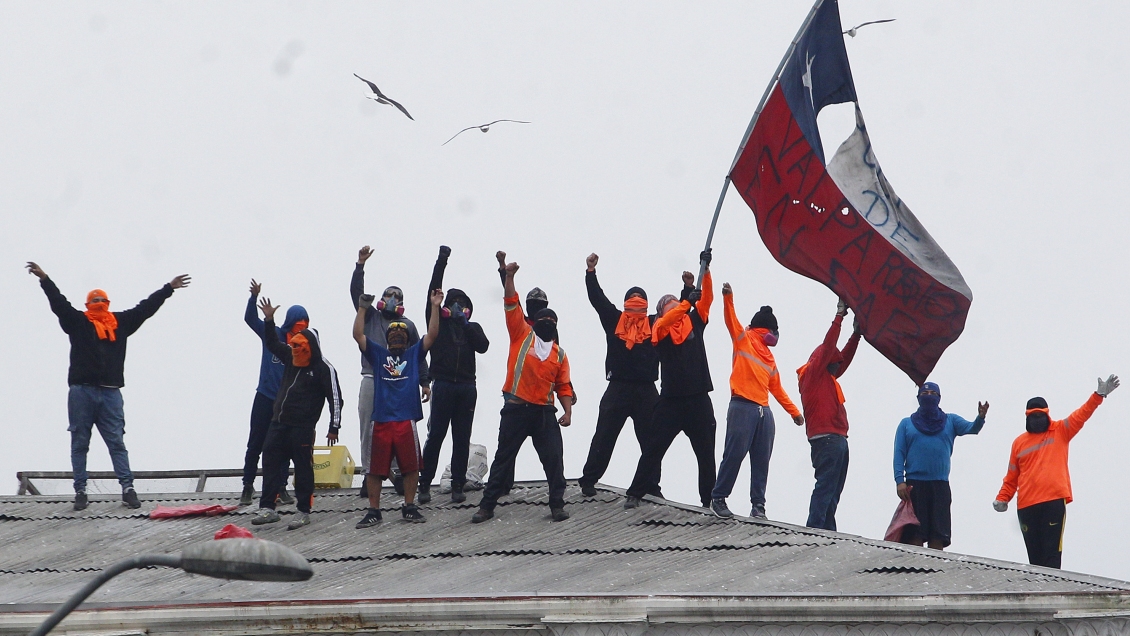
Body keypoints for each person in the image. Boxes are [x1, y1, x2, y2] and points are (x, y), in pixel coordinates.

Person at [26, 262, 190, 511]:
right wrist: (45, 280)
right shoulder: (79, 322)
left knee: (116, 442)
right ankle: (80, 491)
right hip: (82, 391)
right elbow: (59, 305)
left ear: (109, 302)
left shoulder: (120, 323)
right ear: (87, 305)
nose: (99, 303)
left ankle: (128, 489)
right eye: (95, 300)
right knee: (80, 442)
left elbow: (145, 308)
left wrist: (168, 288)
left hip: (111, 391)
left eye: (103, 299)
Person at [471, 260, 574, 524]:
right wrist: (508, 276)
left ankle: (557, 505)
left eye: (553, 321)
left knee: (554, 461)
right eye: (544, 319)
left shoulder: (559, 354)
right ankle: (487, 506)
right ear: (534, 321)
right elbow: (511, 302)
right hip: (516, 409)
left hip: (543, 412)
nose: (548, 323)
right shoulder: (521, 333)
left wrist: (568, 411)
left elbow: (563, 385)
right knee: (503, 460)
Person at [993, 375, 1120, 569]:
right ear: (1026, 417)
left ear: (1047, 414)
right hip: (1026, 505)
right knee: (1035, 559)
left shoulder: (1060, 431)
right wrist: (1003, 498)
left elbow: (1081, 414)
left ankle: (1051, 591)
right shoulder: (1019, 443)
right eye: (1032, 416)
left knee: (1051, 555)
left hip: (1052, 502)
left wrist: (1098, 395)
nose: (1037, 419)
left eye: (1040, 415)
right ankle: (1038, 595)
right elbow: (1012, 477)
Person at [624, 251, 716, 510]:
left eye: (675, 302)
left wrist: (705, 270)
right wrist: (686, 300)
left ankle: (710, 501)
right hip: (672, 401)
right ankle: (636, 492)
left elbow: (706, 300)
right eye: (669, 304)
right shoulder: (659, 327)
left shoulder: (694, 320)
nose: (673, 305)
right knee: (654, 448)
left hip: (699, 398)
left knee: (706, 454)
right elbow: (668, 320)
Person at [709, 285, 803, 519]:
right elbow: (731, 319)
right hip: (742, 406)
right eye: (775, 332)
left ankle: (758, 506)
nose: (776, 337)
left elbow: (777, 388)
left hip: (764, 412)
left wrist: (794, 412)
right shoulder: (744, 339)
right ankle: (718, 498)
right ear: (768, 330)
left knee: (761, 461)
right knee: (734, 454)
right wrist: (728, 297)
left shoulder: (769, 357)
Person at [354, 289, 443, 527]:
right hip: (381, 420)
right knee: (374, 469)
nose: (396, 336)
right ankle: (374, 510)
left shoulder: (414, 355)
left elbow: (432, 335)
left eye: (401, 333)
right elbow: (358, 335)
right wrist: (363, 307)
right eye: (392, 333)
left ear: (407, 338)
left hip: (405, 420)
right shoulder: (378, 354)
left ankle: (409, 506)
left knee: (411, 466)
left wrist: (435, 307)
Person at [251, 297, 342, 530]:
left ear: (310, 347)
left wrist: (334, 428)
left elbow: (336, 399)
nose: (295, 350)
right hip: (278, 422)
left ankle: (303, 510)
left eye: (300, 347)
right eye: (294, 345)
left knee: (303, 467)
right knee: (270, 460)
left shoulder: (324, 368)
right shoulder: (291, 356)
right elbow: (271, 343)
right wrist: (269, 320)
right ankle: (267, 508)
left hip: (302, 427)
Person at [577, 252, 661, 498]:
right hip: (618, 388)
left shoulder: (656, 324)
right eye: (632, 301)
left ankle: (652, 487)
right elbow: (598, 299)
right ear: (625, 304)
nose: (636, 305)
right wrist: (590, 272)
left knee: (652, 442)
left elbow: (678, 315)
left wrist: (689, 292)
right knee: (604, 436)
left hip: (646, 391)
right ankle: (589, 480)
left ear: (647, 305)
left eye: (640, 301)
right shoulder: (615, 320)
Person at [351, 245, 430, 496]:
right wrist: (360, 266)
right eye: (389, 295)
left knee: (398, 427)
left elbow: (420, 354)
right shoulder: (371, 316)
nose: (393, 298)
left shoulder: (407, 325)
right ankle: (368, 474)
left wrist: (425, 382)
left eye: (398, 296)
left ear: (402, 304)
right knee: (368, 427)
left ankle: (396, 472)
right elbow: (356, 295)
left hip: (399, 381)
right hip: (372, 377)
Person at [417, 246, 490, 505]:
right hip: (444, 384)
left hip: (467, 387)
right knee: (435, 435)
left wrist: (465, 323)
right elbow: (432, 292)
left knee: (462, 438)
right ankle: (424, 483)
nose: (460, 308)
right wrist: (442, 261)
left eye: (464, 305)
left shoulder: (472, 328)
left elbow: (484, 345)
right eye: (455, 304)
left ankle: (458, 485)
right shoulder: (438, 322)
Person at [892, 382, 988, 550]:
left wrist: (980, 418)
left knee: (939, 534)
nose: (929, 396)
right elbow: (899, 453)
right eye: (925, 393)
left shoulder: (950, 420)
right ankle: (915, 570)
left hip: (940, 485)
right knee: (915, 535)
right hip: (914, 485)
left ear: (939, 398)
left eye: (933, 393)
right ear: (918, 398)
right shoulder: (906, 424)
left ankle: (935, 571)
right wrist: (900, 481)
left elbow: (971, 428)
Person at [796, 299, 862, 530]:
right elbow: (829, 345)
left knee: (833, 489)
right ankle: (815, 528)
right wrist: (839, 316)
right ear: (824, 362)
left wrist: (856, 336)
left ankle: (827, 529)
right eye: (833, 362)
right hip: (827, 438)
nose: (837, 367)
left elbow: (841, 357)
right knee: (826, 486)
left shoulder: (826, 377)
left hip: (836, 438)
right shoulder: (813, 375)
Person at [240, 279, 302, 507]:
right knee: (255, 442)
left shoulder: (302, 345)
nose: (300, 327)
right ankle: (247, 485)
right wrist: (253, 298)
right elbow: (249, 319)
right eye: (298, 322)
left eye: (304, 323)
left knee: (283, 446)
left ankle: (281, 488)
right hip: (264, 396)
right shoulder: (272, 333)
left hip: (285, 403)